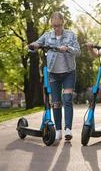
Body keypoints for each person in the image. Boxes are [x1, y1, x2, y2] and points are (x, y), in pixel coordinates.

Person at [29, 12, 80, 142]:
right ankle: (58, 130)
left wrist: (67, 48)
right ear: (52, 24)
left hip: (69, 72)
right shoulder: (47, 36)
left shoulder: (71, 35)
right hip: (53, 73)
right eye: (54, 25)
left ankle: (68, 129)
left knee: (67, 99)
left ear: (63, 23)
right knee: (56, 103)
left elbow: (78, 51)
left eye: (58, 25)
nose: (56, 28)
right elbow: (36, 44)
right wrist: (33, 45)